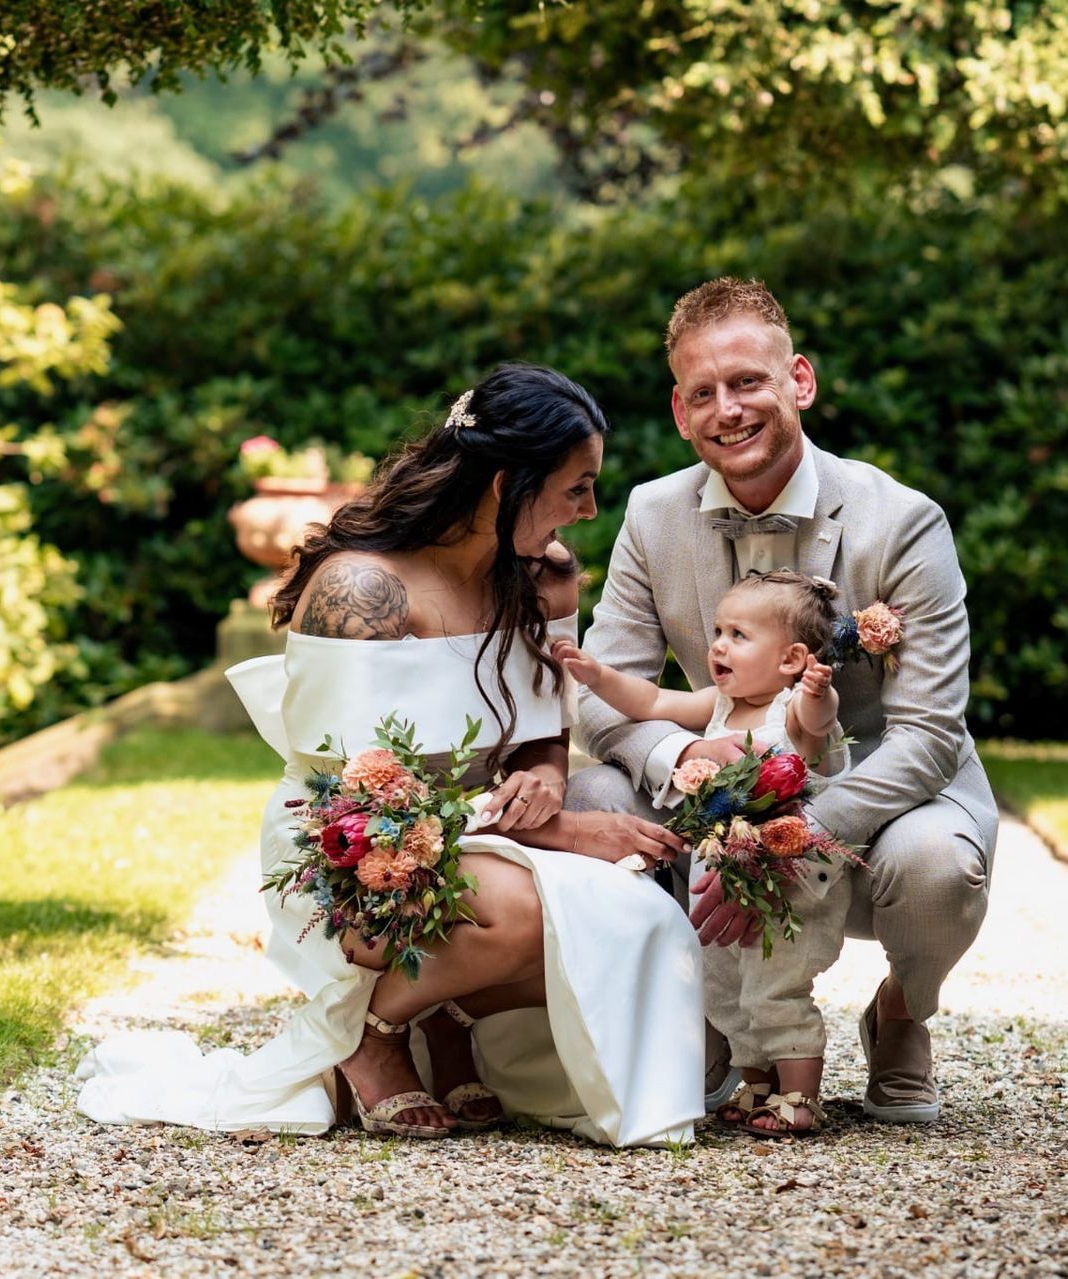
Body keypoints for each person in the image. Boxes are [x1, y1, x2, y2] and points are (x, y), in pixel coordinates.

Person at [77, 362, 704, 1148]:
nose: (587, 510)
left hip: (478, 835)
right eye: (576, 487)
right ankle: (371, 1032)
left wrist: (545, 780)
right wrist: (561, 834)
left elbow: (548, 725)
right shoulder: (363, 591)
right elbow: (361, 799)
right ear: (509, 480)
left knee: (632, 913)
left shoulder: (544, 578)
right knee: (538, 910)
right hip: (352, 849)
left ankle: (442, 1020)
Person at [565, 277, 999, 1125]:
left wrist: (794, 836)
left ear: (798, 380)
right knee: (591, 798)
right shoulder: (652, 514)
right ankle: (703, 1013)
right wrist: (680, 756)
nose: (729, 409)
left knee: (939, 865)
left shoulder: (904, 522)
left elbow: (930, 733)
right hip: (722, 778)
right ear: (682, 412)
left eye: (748, 382)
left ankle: (903, 1010)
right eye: (704, 393)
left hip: (872, 785)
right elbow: (603, 697)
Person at [556, 569, 853, 1134]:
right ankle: (755, 1082)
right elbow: (649, 699)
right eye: (718, 630)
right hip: (720, 870)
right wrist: (598, 675)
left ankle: (799, 1095)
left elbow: (818, 726)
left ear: (791, 660)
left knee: (775, 980)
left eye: (738, 635)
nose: (718, 644)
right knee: (722, 979)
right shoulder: (720, 703)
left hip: (786, 877)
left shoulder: (789, 709)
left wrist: (820, 693)